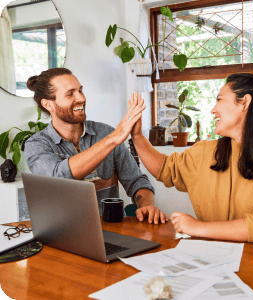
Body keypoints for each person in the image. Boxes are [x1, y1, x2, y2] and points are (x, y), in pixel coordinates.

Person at [129, 70, 253, 259]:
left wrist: (198, 227)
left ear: (245, 103)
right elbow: (166, 168)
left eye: (220, 99)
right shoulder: (205, 152)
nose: (213, 110)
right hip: (223, 257)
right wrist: (137, 136)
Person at [24, 67, 168, 224]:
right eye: (70, 94)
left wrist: (146, 205)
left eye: (80, 90)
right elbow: (58, 176)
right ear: (48, 104)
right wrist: (114, 138)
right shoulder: (36, 145)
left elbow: (137, 181)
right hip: (62, 236)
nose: (81, 98)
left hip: (112, 233)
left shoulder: (106, 133)